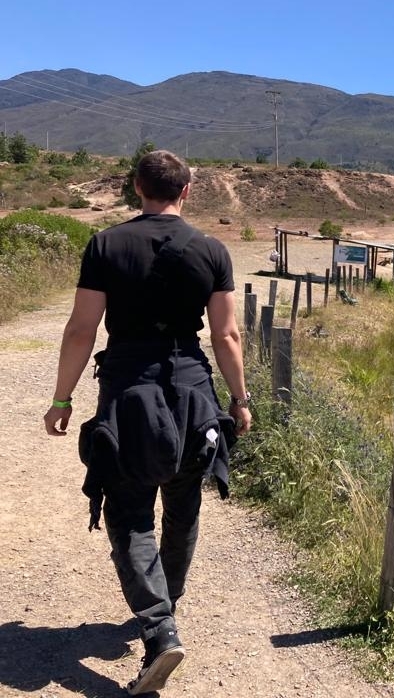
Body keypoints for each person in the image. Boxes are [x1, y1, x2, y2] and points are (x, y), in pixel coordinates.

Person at [43, 149, 252, 695]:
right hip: (192, 396)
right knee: (183, 508)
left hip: (129, 395)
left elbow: (81, 329)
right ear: (187, 190)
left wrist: (62, 398)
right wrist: (241, 399)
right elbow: (226, 335)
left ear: (136, 187)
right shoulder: (211, 249)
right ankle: (166, 606)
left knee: (130, 516)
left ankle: (160, 629)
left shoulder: (105, 244)